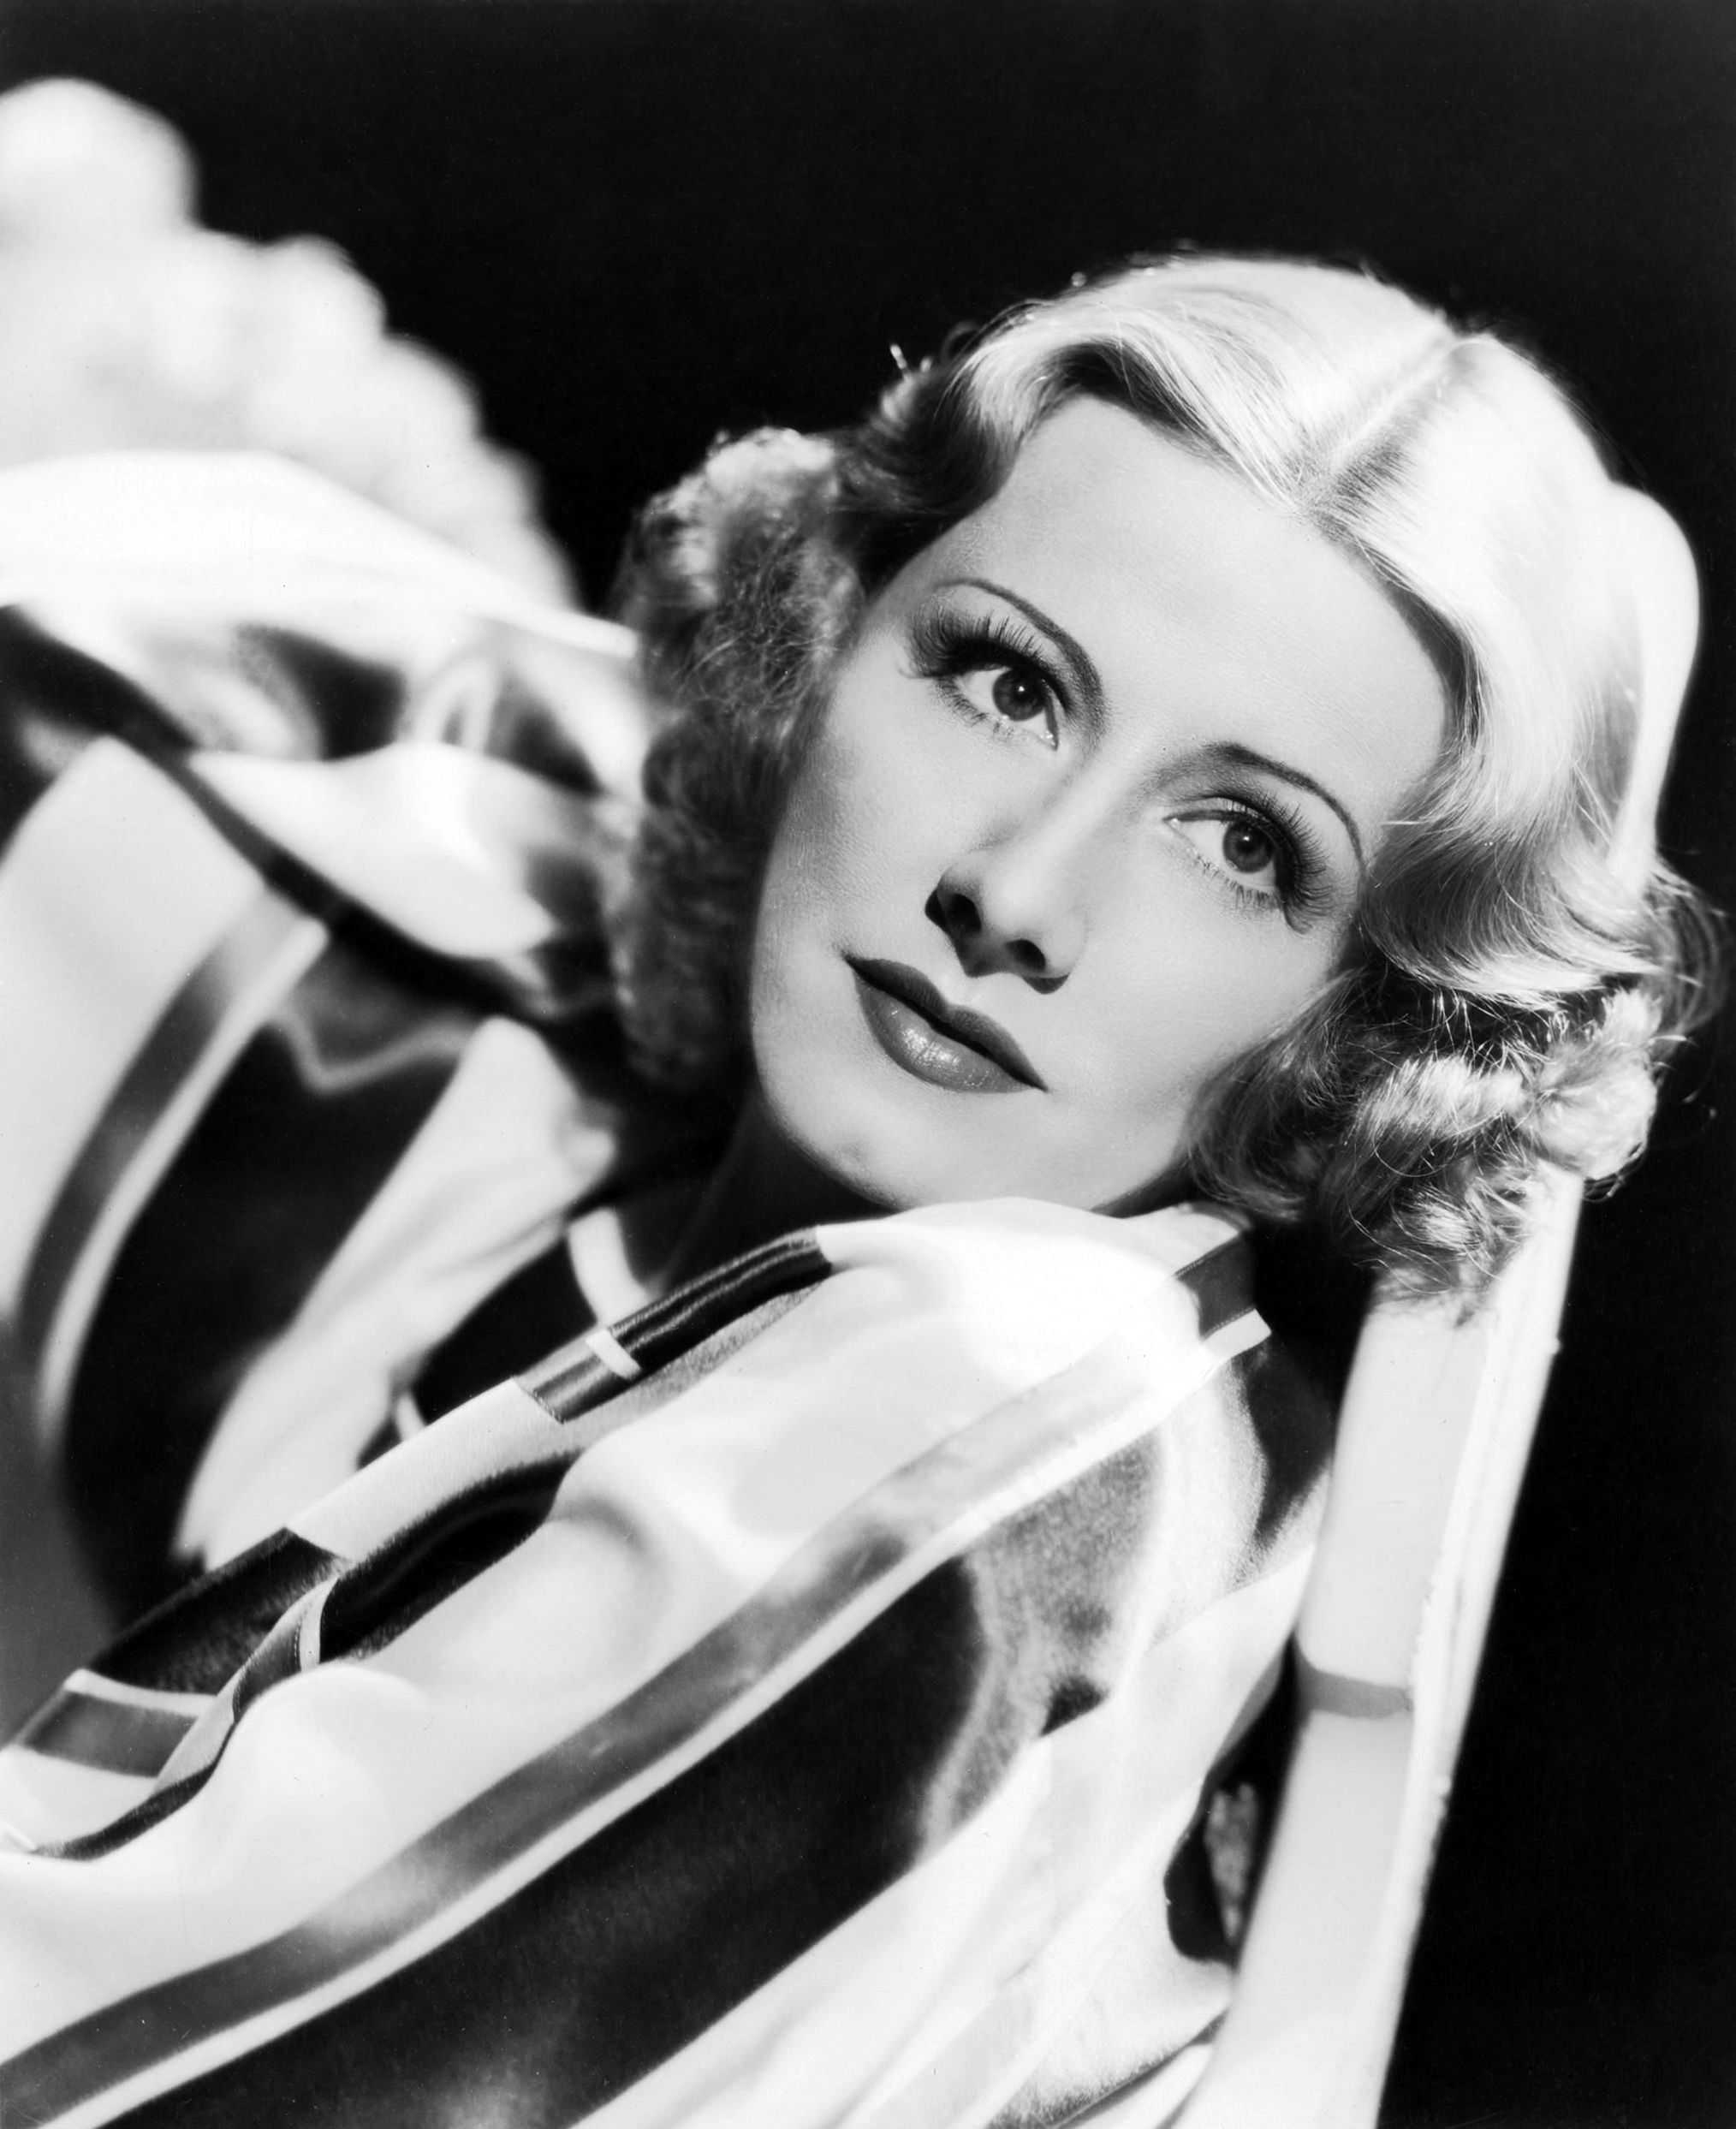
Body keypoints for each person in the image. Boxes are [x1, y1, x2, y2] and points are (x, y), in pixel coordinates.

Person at [0, 255, 1712, 2128]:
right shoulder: (510, 1120)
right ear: (819, 639)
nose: (1018, 891)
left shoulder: (999, 1439)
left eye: (1243, 843)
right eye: (1009, 683)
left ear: (1361, 1031)